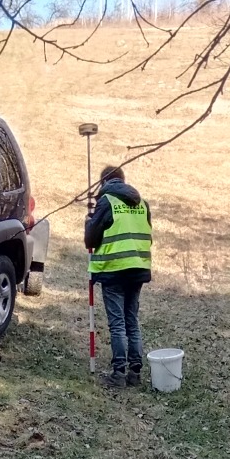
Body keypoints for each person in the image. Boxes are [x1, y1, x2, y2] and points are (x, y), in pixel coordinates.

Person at [84, 162, 152, 388]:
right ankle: (135, 372)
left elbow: (91, 240)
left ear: (104, 182)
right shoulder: (142, 204)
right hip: (137, 269)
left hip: (114, 270)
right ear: (123, 180)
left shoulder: (107, 202)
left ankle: (119, 373)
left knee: (117, 324)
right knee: (131, 321)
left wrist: (89, 222)